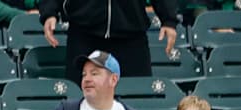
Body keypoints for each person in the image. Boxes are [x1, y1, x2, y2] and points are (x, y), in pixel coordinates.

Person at [39, 0, 179, 79]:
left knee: (137, 99)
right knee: (80, 101)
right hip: (83, 33)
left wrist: (169, 19)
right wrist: (49, 12)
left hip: (131, 35)